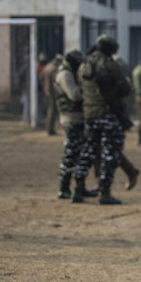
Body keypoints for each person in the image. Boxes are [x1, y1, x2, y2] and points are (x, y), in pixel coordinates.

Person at [76, 35, 131, 205]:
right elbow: (126, 88)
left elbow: (81, 89)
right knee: (110, 153)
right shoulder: (109, 65)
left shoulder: (84, 66)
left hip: (89, 115)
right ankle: (105, 192)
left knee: (88, 152)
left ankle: (78, 189)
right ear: (111, 49)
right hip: (108, 114)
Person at [53, 49, 97, 201]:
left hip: (78, 117)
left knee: (80, 155)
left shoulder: (71, 72)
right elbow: (74, 95)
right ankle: (63, 188)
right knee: (71, 154)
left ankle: (80, 187)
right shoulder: (65, 74)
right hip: (71, 119)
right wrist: (89, 90)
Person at [42, 54, 63, 135]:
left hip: (46, 91)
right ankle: (50, 129)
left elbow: (41, 78)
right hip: (52, 92)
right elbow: (56, 81)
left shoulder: (47, 67)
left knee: (50, 110)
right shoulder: (54, 69)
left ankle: (49, 128)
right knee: (52, 111)